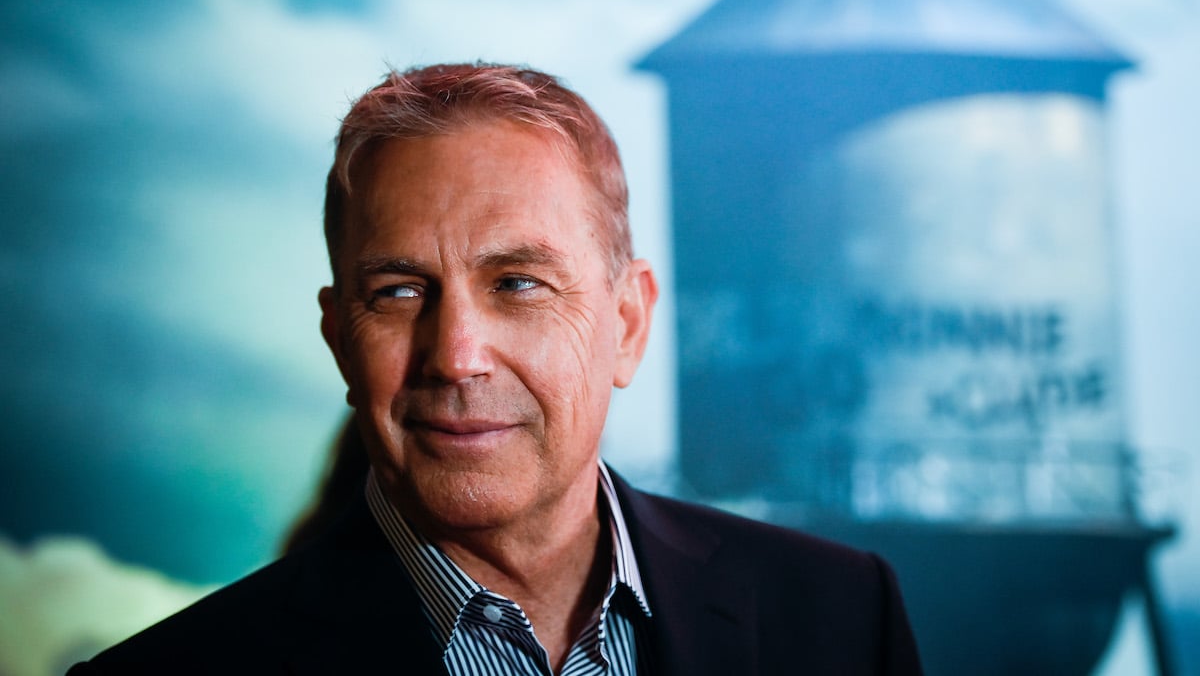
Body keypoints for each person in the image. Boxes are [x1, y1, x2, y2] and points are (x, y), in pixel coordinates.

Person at [70, 63, 923, 674]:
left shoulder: (840, 617)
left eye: (518, 283)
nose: (457, 355)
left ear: (627, 323)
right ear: (338, 338)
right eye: (400, 292)